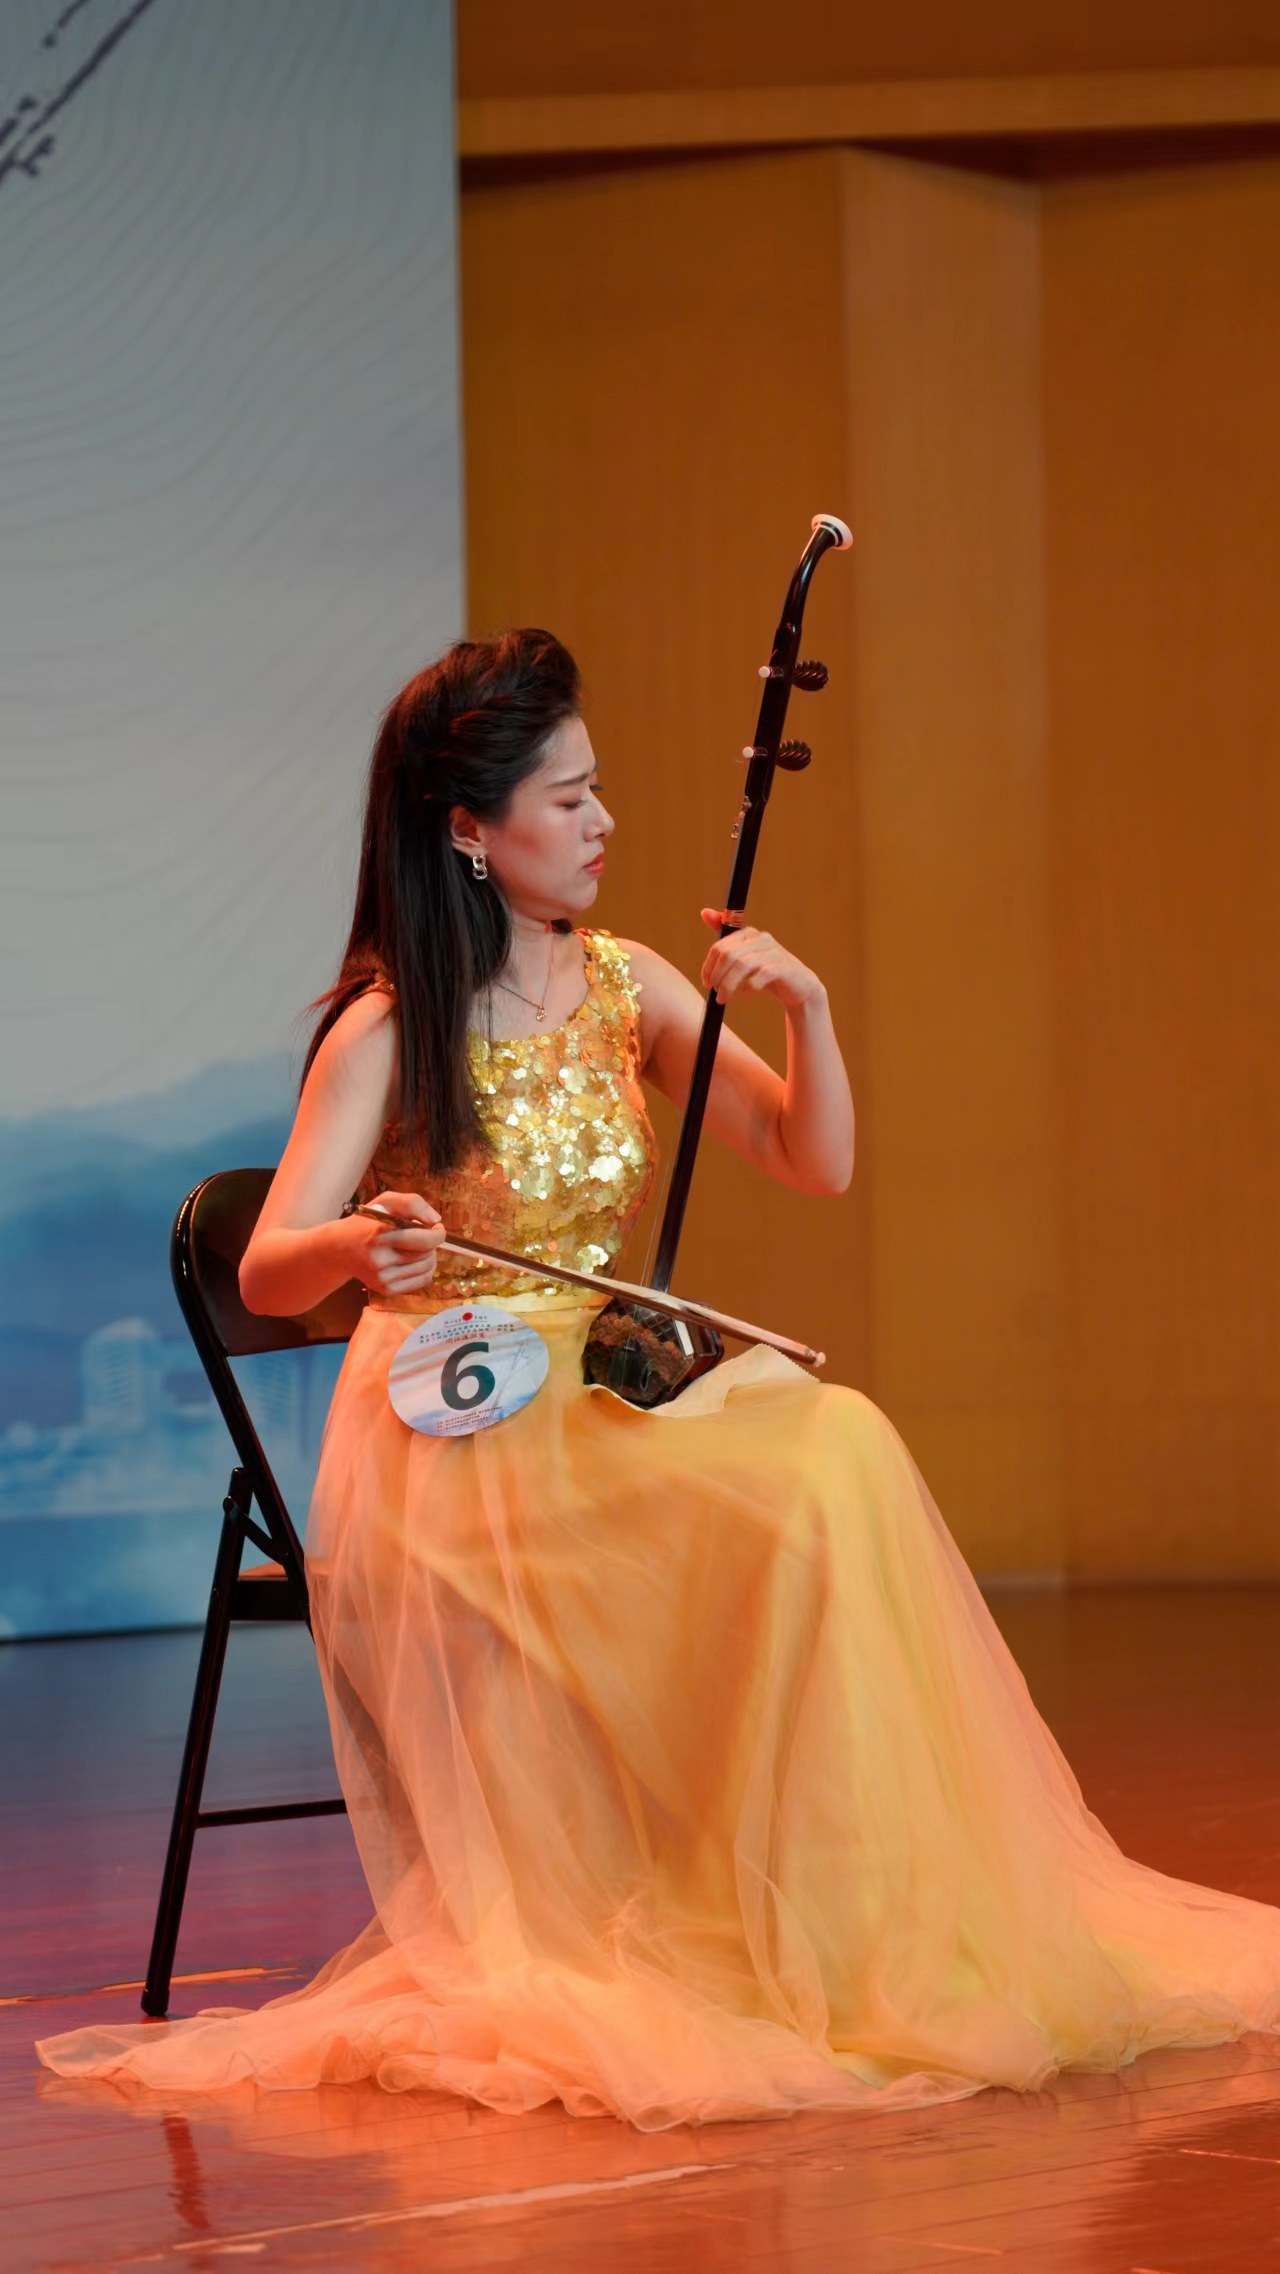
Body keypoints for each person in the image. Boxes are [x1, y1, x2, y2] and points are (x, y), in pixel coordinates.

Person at [37, 630, 1280, 2126]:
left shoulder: (627, 986)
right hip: (459, 1423)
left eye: (598, 788)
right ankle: (730, 1909)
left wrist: (805, 1007)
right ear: (469, 829)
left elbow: (811, 1161)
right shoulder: (390, 1024)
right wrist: (362, 1244)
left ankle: (845, 1926)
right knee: (782, 1490)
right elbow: (266, 1270)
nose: (603, 821)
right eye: (567, 799)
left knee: (837, 1451)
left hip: (600, 1388)